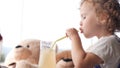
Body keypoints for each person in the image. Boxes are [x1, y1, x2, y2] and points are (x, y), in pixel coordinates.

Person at [66, 0, 120, 68]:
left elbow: (80, 64)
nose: (80, 22)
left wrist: (74, 37)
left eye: (84, 17)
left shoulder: (109, 42)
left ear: (102, 17)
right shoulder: (109, 42)